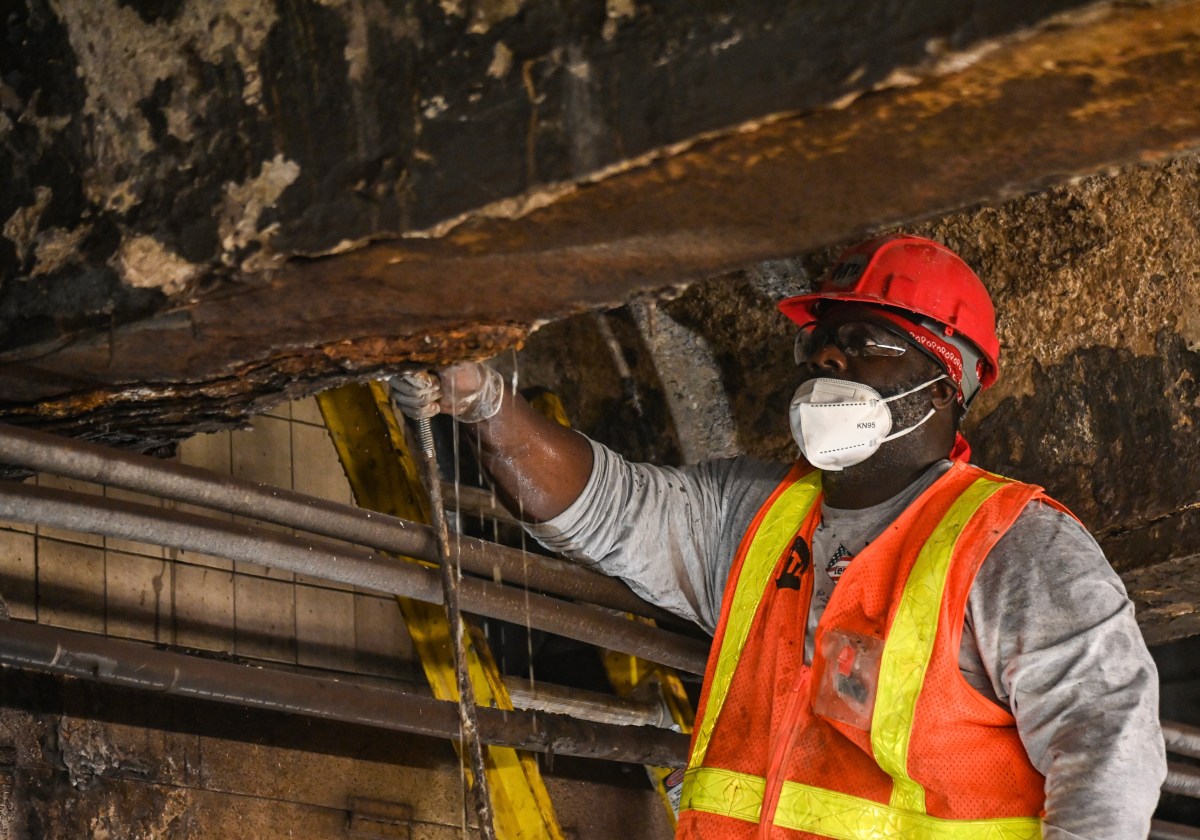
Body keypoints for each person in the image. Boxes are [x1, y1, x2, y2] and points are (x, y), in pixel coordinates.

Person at [390, 234, 1166, 839]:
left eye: (867, 339)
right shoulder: (756, 517)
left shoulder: (1017, 548)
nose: (831, 356)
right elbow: (609, 506)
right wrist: (484, 399)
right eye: (823, 342)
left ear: (945, 380)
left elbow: (1109, 754)